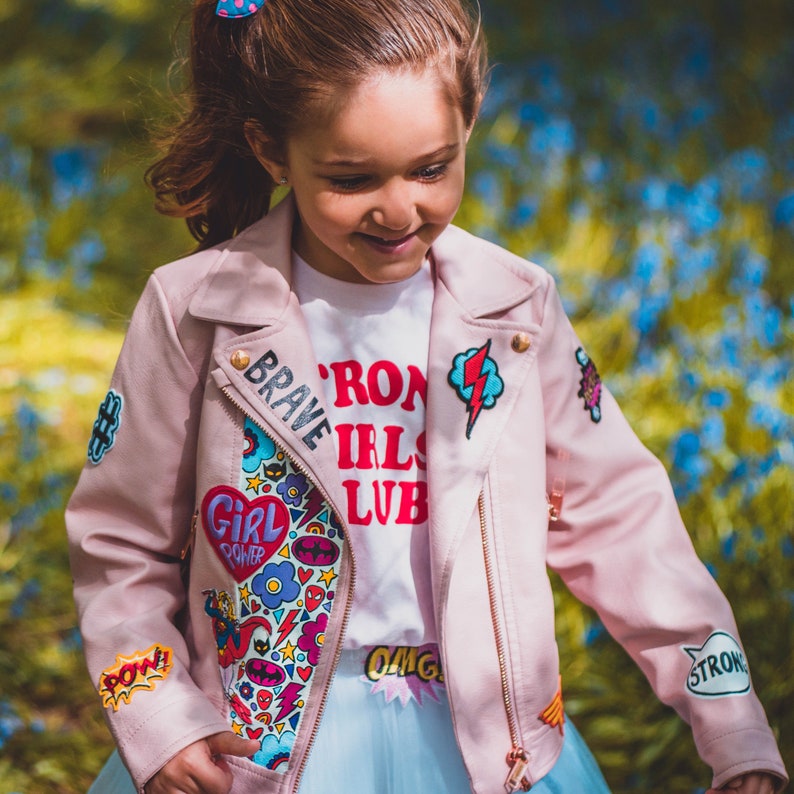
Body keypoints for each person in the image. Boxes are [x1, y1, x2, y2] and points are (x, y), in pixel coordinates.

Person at [66, 1, 788, 792]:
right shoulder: (198, 311)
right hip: (259, 751)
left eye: (431, 168)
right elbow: (119, 540)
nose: (400, 209)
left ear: (469, 121)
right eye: (351, 179)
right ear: (271, 149)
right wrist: (160, 715)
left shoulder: (513, 313)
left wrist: (732, 723)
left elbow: (622, 520)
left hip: (481, 743)